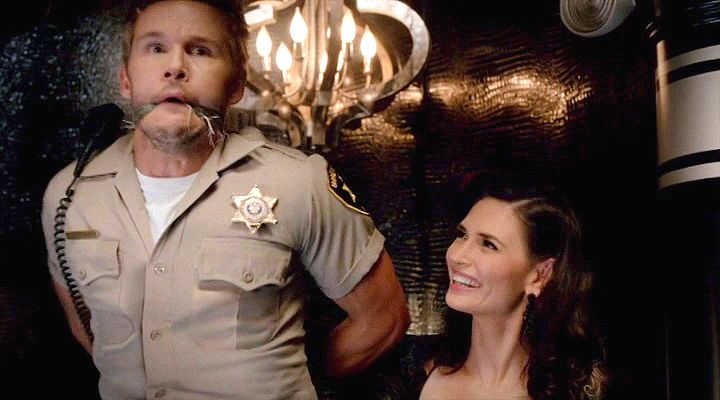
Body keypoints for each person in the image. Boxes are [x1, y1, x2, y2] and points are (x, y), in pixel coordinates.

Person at [40, 1, 410, 398]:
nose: (175, 67)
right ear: (126, 80)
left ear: (236, 86)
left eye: (200, 50)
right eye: (156, 48)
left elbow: (383, 320)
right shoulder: (69, 194)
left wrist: (293, 383)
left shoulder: (299, 182)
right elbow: (89, 330)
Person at [419, 173, 607, 400]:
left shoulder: (576, 391)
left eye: (488, 244)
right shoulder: (415, 373)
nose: (457, 255)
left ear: (540, 276)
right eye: (462, 235)